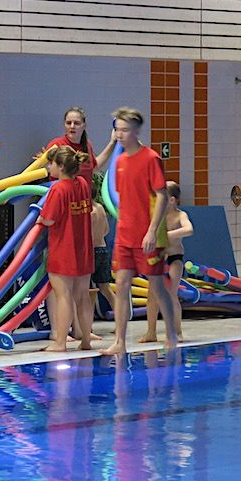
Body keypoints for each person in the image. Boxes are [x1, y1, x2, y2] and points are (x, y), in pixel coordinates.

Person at [101, 108, 178, 355]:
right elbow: (124, 198)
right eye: (117, 130)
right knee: (121, 283)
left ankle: (172, 334)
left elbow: (161, 196)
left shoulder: (151, 158)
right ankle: (120, 342)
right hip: (125, 234)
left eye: (124, 130)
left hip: (147, 235)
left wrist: (152, 231)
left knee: (157, 285)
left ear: (136, 131)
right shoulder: (120, 162)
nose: (120, 135)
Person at [36, 146, 95, 352]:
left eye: (51, 163)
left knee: (63, 296)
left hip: (63, 249)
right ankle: (86, 341)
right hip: (83, 248)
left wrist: (40, 219)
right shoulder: (83, 184)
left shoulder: (58, 189)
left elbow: (49, 220)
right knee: (83, 296)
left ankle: (60, 342)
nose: (48, 167)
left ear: (61, 167)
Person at [142, 181, 193, 343]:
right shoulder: (157, 217)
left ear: (171, 200)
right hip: (158, 259)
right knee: (152, 296)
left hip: (174, 258)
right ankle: (151, 332)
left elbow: (189, 229)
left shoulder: (180, 215)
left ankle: (177, 332)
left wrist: (167, 235)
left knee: (171, 294)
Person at [41, 106, 116, 181]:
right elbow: (47, 170)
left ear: (84, 126)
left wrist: (112, 143)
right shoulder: (56, 145)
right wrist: (44, 164)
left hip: (84, 188)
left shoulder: (87, 145)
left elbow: (94, 167)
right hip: (62, 188)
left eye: (76, 123)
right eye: (68, 123)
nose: (72, 126)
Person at [89, 172, 118, 319]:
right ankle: (121, 320)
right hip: (103, 248)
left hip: (92, 251)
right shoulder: (100, 207)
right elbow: (106, 229)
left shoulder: (89, 212)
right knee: (105, 288)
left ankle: (87, 325)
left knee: (87, 289)